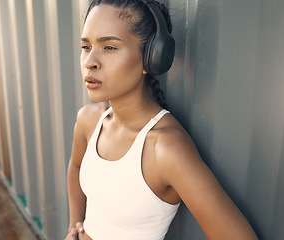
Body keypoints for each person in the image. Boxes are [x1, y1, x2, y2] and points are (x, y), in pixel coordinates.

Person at [65, 0, 258, 239]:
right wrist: (75, 223)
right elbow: (75, 167)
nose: (89, 62)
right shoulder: (89, 120)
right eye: (86, 46)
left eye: (109, 47)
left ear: (151, 57)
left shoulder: (166, 148)